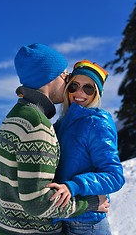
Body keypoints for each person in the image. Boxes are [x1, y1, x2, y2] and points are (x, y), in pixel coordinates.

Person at [0, 45, 109, 235]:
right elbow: (37, 203)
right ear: (49, 77)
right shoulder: (37, 126)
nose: (67, 80)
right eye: (64, 74)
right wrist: (91, 203)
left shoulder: (13, 118)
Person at [47, 59, 125, 235]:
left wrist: (74, 185)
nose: (79, 92)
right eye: (74, 86)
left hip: (87, 225)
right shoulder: (61, 124)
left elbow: (114, 176)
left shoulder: (97, 124)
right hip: (65, 218)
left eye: (88, 88)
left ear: (96, 93)